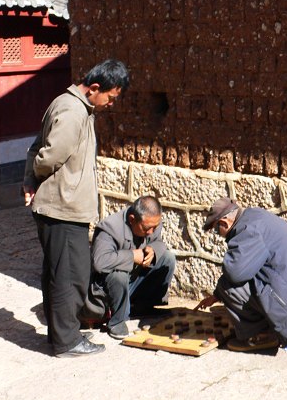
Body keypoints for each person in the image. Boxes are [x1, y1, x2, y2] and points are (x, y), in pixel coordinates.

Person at [22, 59, 129, 357]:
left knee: (61, 273)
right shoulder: (72, 110)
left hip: (62, 207)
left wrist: (30, 180)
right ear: (95, 88)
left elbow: (36, 147)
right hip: (62, 207)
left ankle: (61, 336)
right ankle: (67, 342)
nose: (110, 104)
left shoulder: (72, 106)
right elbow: (48, 155)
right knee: (71, 276)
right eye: (110, 97)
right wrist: (36, 178)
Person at [195, 197, 287, 351]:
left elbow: (234, 274)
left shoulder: (247, 231)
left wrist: (222, 289)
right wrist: (216, 296)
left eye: (216, 229)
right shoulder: (255, 216)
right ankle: (265, 324)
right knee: (234, 284)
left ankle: (260, 336)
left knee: (228, 287)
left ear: (224, 223)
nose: (218, 234)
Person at [86, 195, 176, 340]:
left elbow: (158, 242)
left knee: (167, 258)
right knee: (118, 274)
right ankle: (117, 320)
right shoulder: (109, 228)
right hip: (108, 290)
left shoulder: (151, 223)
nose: (151, 232)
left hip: (131, 282)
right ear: (133, 219)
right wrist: (132, 256)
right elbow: (100, 262)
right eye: (147, 228)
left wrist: (153, 250)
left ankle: (143, 306)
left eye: (155, 227)